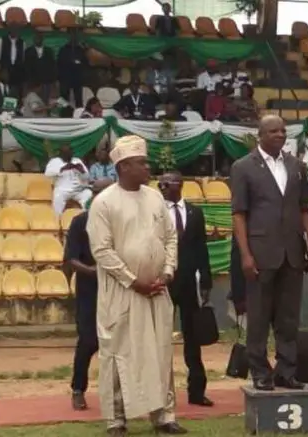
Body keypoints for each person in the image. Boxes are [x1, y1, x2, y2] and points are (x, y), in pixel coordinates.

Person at [87, 135, 186, 436]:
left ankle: (164, 416)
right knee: (118, 354)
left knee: (161, 353)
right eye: (141, 163)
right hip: (122, 293)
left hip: (157, 289)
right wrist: (133, 281)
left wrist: (167, 272)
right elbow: (102, 250)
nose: (148, 167)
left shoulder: (155, 198)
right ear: (123, 167)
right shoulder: (104, 202)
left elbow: (170, 237)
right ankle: (116, 419)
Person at [230, 115, 308, 391]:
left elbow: (305, 209)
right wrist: (245, 254)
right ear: (260, 135)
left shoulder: (297, 166)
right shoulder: (243, 167)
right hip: (260, 252)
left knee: (289, 317)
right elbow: (239, 214)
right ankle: (260, 371)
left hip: (292, 252)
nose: (280, 135)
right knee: (258, 317)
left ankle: (286, 371)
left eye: (282, 130)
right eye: (273, 131)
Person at [159, 171, 214, 407]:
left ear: (179, 185)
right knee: (161, 339)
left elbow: (201, 248)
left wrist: (206, 281)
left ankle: (197, 391)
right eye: (160, 184)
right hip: (164, 282)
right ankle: (161, 393)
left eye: (166, 184)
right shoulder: (156, 213)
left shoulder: (195, 213)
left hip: (190, 283)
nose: (162, 188)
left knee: (193, 339)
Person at [66, 179, 113, 411]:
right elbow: (71, 259)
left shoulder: (119, 221)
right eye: (97, 193)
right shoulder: (80, 222)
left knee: (120, 344)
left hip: (117, 288)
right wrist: (94, 271)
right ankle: (78, 389)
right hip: (89, 291)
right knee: (88, 341)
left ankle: (120, 392)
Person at [44, 144, 92, 216]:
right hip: (62, 190)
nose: (68, 154)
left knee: (88, 193)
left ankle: (86, 217)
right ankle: (57, 218)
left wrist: (82, 171)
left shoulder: (77, 160)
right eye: (66, 152)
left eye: (70, 152)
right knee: (58, 196)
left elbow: (87, 177)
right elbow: (47, 173)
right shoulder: (55, 161)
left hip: (78, 190)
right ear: (60, 153)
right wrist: (62, 168)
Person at [24, 31, 56, 103]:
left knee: (45, 102)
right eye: (36, 38)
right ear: (33, 39)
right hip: (33, 82)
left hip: (46, 81)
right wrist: (28, 81)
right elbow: (26, 67)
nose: (38, 39)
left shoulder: (49, 51)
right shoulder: (28, 51)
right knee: (34, 101)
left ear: (42, 39)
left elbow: (52, 66)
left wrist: (53, 81)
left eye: (39, 38)